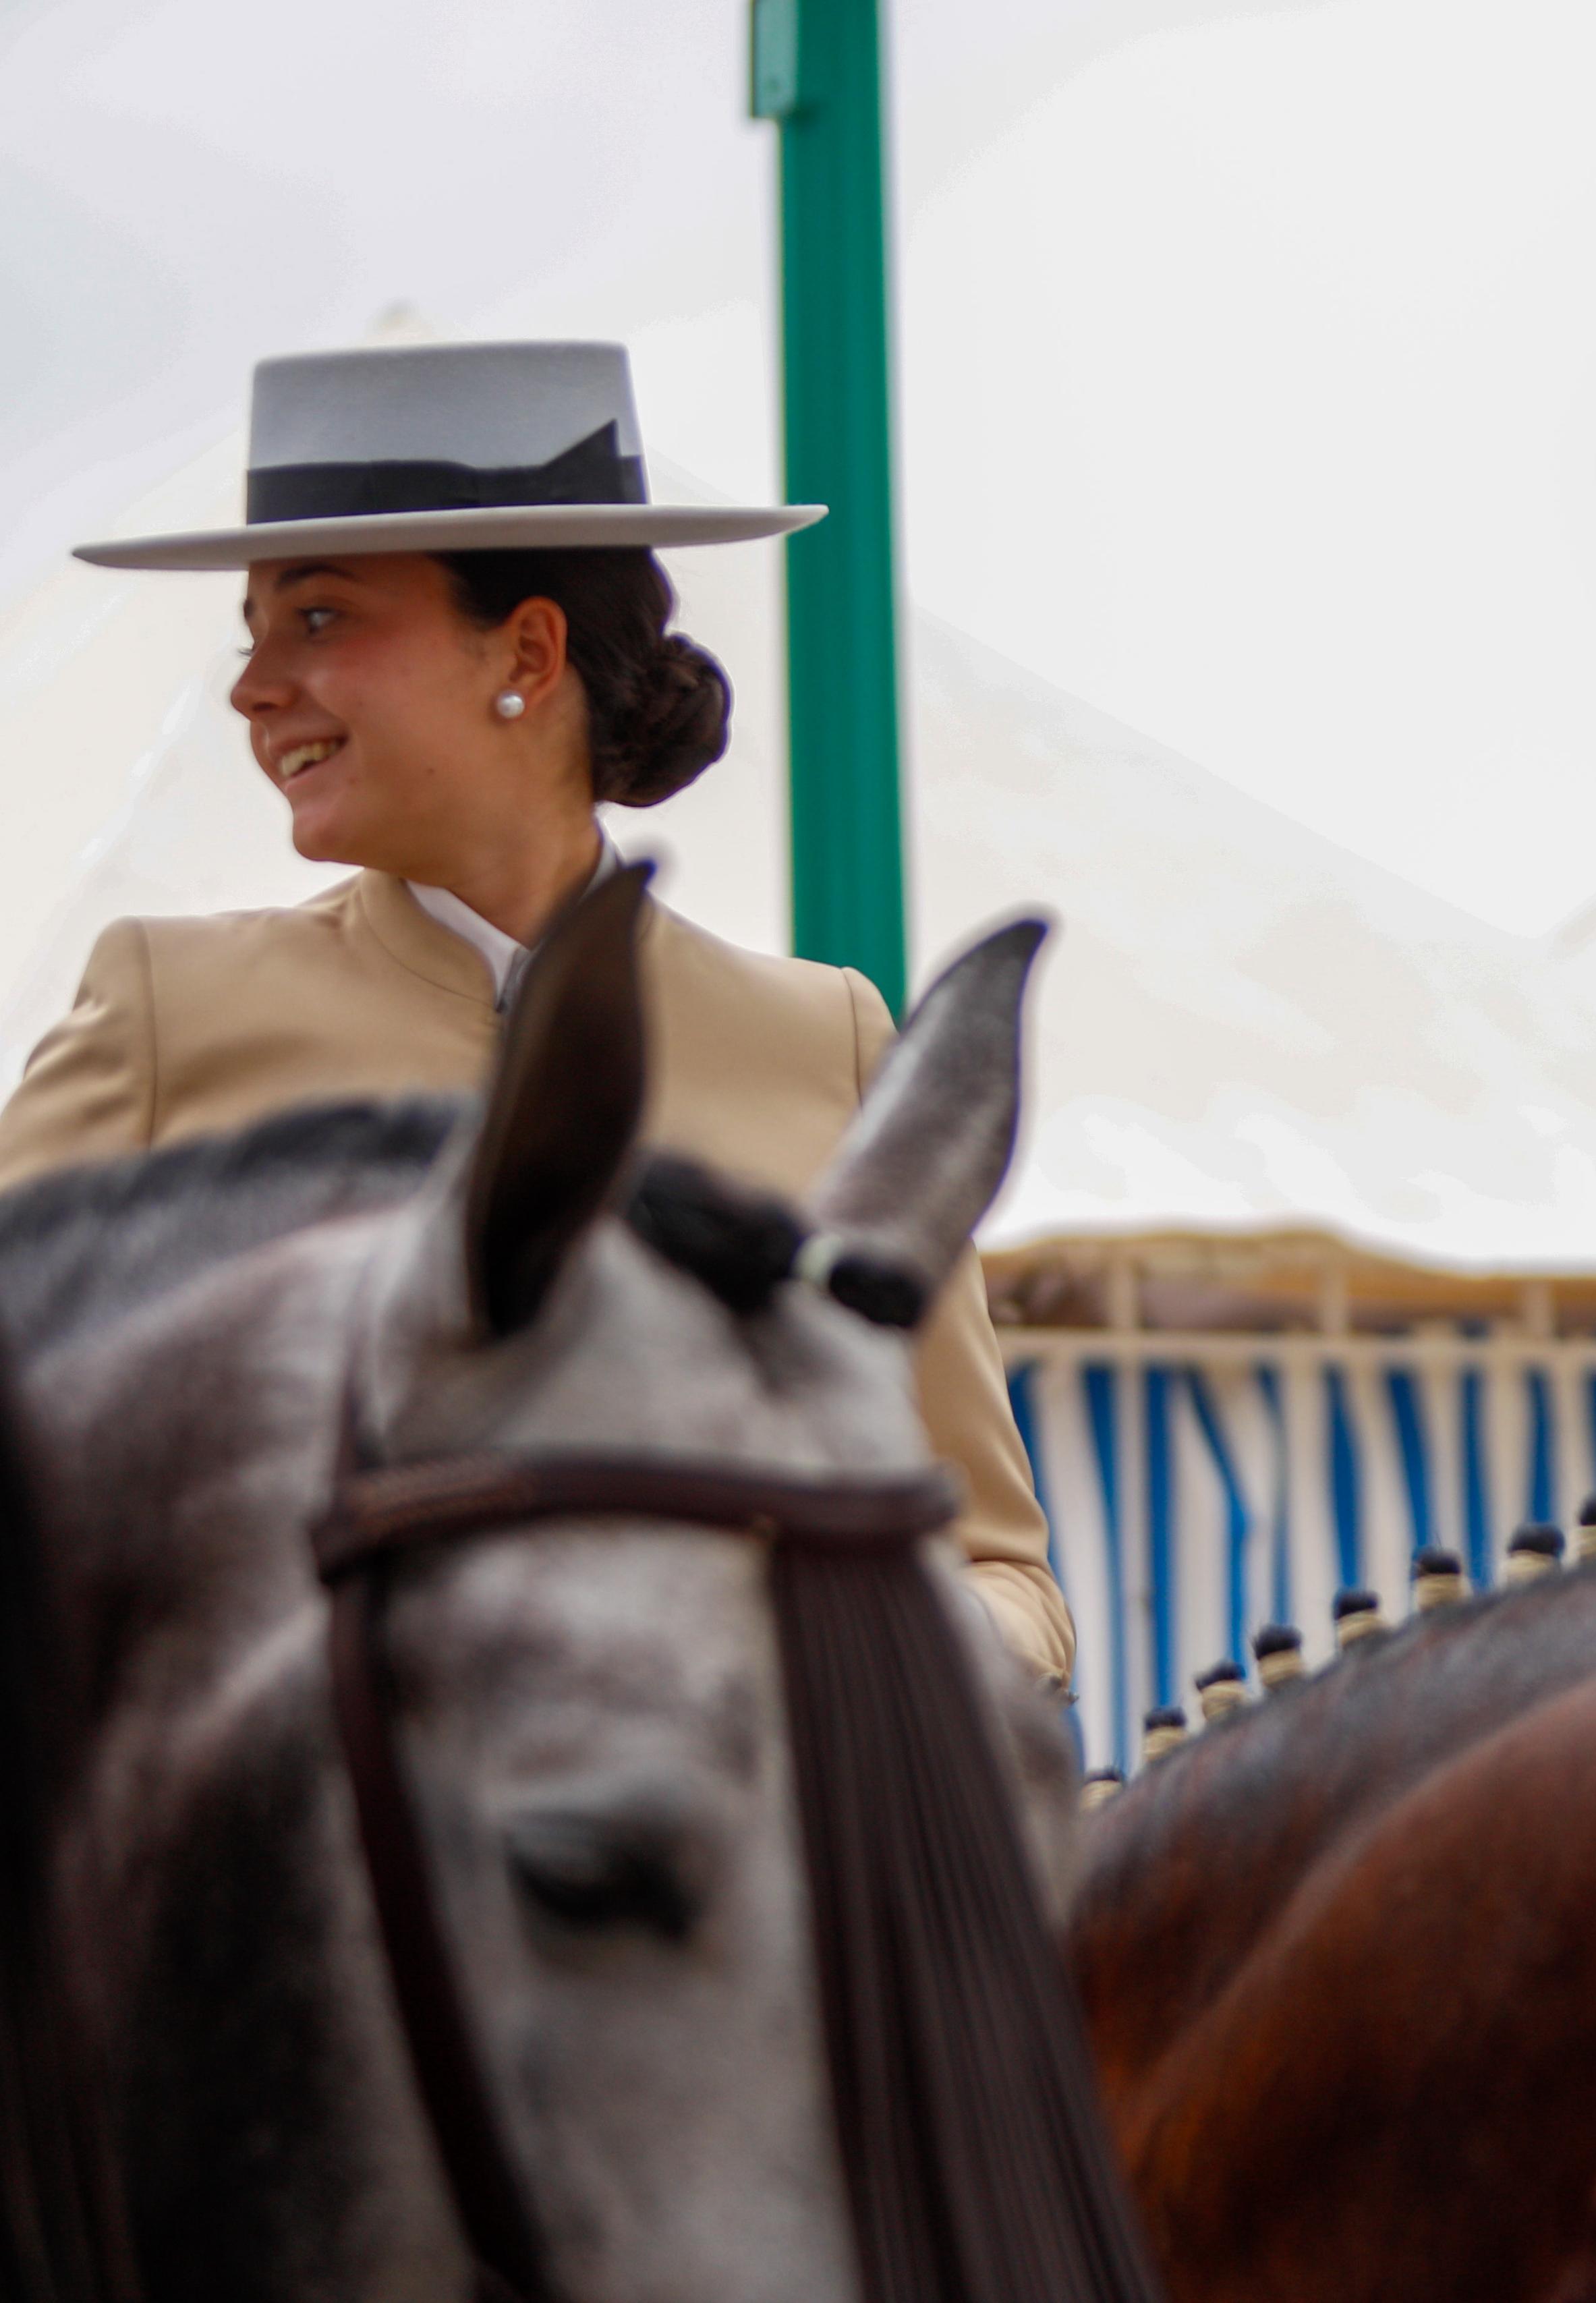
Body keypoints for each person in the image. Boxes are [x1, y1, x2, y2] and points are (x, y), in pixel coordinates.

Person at [5, 340, 1071, 1684]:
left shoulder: (830, 1040)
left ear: (527, 649)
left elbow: (1001, 1574)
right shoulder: (167, 1011)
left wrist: (806, 1640)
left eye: (316, 618)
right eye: (253, 630)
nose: (252, 684)